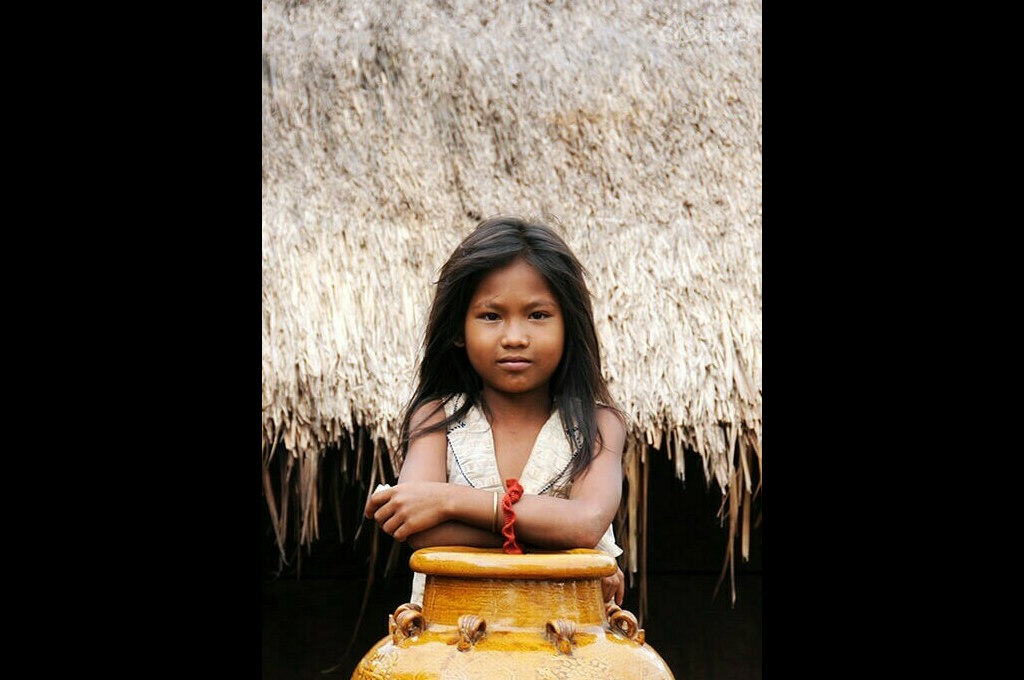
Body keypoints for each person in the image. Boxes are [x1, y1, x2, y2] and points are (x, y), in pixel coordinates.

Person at [364, 216, 628, 606]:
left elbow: (587, 523)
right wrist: (556, 536)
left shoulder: (599, 424)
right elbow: (423, 533)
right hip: (453, 641)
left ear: (569, 326)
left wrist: (448, 501)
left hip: (570, 639)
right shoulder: (436, 418)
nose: (515, 337)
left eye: (538, 315)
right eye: (491, 316)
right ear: (458, 330)